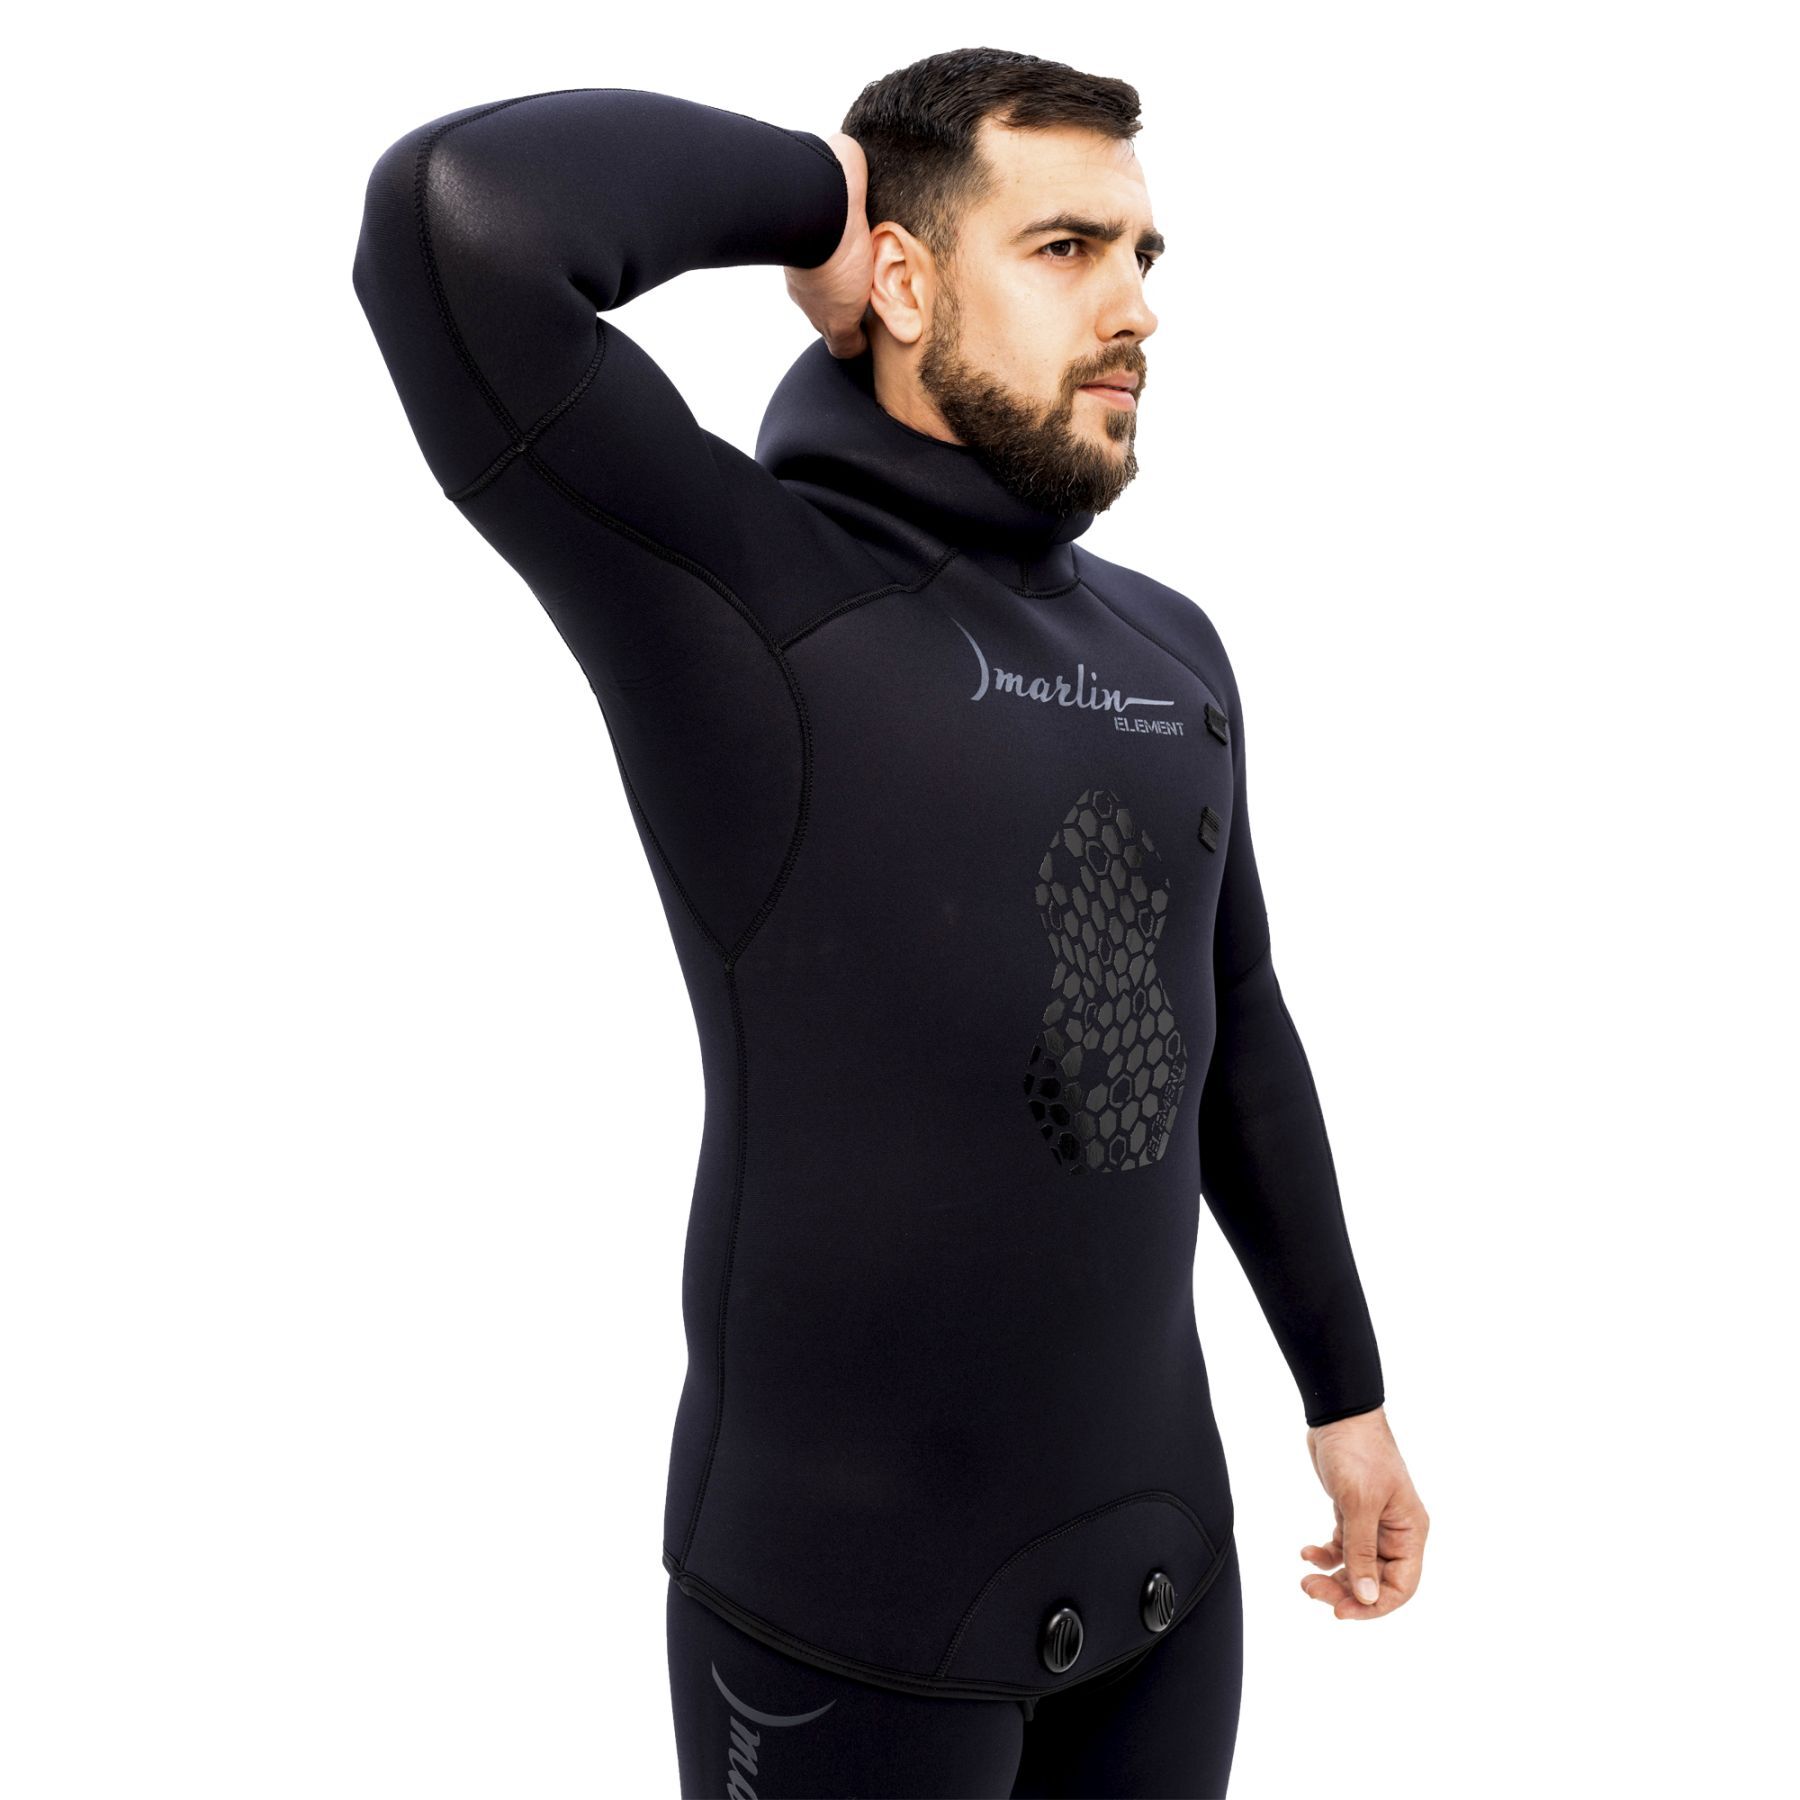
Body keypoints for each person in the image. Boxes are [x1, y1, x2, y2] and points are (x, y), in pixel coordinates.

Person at [352, 44, 1429, 1799]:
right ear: (908, 285)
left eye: (1143, 255)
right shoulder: (745, 592)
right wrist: (816, 198)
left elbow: (1237, 1031)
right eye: (1065, 248)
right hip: (843, 1618)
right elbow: (450, 222)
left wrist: (1347, 1395)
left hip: (1168, 1571)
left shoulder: (1173, 647)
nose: (1135, 306)